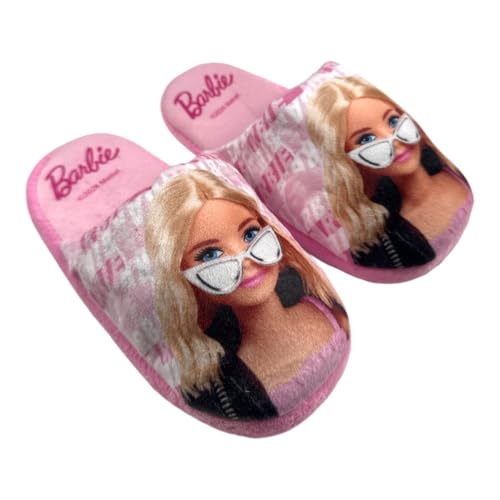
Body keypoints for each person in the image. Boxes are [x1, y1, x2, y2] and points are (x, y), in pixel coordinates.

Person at [145, 169, 348, 420]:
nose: (246, 260)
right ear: (183, 282)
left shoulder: (318, 300)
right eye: (210, 255)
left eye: (250, 234)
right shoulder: (227, 384)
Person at [307, 76, 470, 268]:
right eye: (367, 139)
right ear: (349, 162)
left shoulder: (445, 170)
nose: (393, 140)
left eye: (393, 120)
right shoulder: (388, 243)